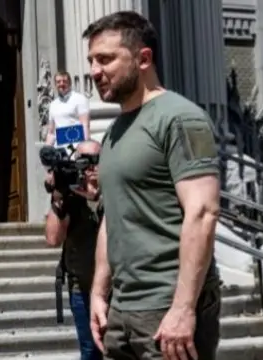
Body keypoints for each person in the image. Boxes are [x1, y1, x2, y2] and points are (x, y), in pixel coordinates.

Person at [84, 11, 222, 360]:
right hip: (122, 311)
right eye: (91, 60)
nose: (94, 71)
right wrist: (99, 293)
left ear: (143, 58)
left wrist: (184, 308)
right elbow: (111, 218)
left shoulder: (180, 117)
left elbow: (203, 212)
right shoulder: (114, 132)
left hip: (167, 312)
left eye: (106, 59)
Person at [45, 140, 102, 360]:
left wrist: (96, 193)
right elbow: (52, 238)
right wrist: (59, 198)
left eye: (95, 160)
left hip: (115, 288)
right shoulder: (70, 197)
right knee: (89, 351)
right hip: (82, 286)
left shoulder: (115, 190)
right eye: (84, 161)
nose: (90, 167)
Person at [46, 71, 91, 148]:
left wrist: (85, 148)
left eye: (64, 81)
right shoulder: (53, 105)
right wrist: (46, 149)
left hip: (76, 148)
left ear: (70, 83)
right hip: (59, 150)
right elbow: (51, 132)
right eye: (58, 82)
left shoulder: (79, 99)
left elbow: (85, 126)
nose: (61, 84)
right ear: (55, 84)